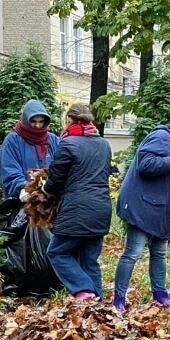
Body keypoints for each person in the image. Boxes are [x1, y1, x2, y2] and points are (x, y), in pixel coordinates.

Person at [112, 107, 170, 311]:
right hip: (143, 206)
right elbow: (146, 165)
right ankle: (118, 299)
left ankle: (160, 293)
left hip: (162, 207)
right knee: (133, 253)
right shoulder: (161, 137)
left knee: (160, 253)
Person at [43, 104, 113, 301]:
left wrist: (43, 189)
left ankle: (84, 291)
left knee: (57, 252)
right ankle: (98, 303)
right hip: (101, 209)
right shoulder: (104, 144)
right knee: (89, 260)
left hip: (76, 209)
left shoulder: (68, 143)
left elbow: (55, 180)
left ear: (70, 120)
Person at [0, 100, 58, 201]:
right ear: (26, 120)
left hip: (49, 199)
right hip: (22, 199)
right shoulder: (13, 140)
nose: (38, 126)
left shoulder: (53, 140)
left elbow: (60, 166)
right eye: (33, 121)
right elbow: (9, 170)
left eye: (41, 122)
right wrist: (25, 188)